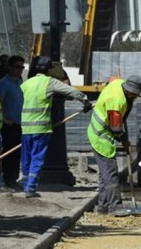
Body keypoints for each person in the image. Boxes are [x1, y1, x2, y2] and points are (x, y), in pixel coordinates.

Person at [20, 56, 91, 198]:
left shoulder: (26, 84)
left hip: (25, 127)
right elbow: (70, 91)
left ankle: (26, 185)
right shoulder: (49, 82)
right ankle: (31, 188)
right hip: (41, 128)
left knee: (26, 158)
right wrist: (85, 100)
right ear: (50, 69)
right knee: (37, 158)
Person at [87, 75, 141, 216]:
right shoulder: (116, 101)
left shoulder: (118, 83)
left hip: (100, 132)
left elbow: (113, 79)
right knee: (111, 174)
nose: (136, 96)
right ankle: (115, 207)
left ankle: (102, 206)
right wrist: (124, 140)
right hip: (101, 136)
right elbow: (116, 128)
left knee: (104, 175)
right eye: (135, 94)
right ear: (128, 90)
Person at [0, 55, 25, 189]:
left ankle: (13, 179)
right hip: (9, 125)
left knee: (17, 153)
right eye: (16, 67)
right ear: (10, 67)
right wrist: (5, 120)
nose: (19, 70)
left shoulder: (20, 83)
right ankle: (8, 179)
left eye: (21, 67)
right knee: (9, 152)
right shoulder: (4, 84)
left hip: (20, 124)